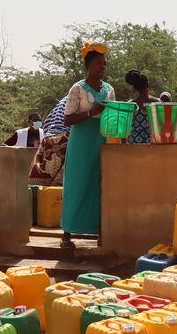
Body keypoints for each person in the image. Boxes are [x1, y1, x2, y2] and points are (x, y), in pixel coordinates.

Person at [60, 42, 115, 248]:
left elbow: (112, 115)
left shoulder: (109, 89)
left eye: (104, 63)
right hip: (82, 140)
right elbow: (68, 119)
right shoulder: (78, 88)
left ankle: (99, 231)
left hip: (101, 137)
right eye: (99, 63)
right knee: (77, 182)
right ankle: (66, 234)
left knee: (99, 184)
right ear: (89, 65)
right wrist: (93, 111)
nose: (103, 67)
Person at [29, 98, 70, 185]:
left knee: (41, 177)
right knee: (60, 182)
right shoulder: (80, 97)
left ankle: (38, 196)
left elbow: (46, 125)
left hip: (47, 139)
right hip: (63, 138)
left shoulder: (62, 102)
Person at [125, 70, 160, 144]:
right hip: (152, 144)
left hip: (133, 143)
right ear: (148, 84)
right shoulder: (157, 103)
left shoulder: (131, 105)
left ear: (135, 88)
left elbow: (125, 128)